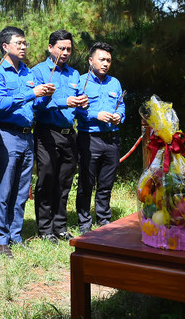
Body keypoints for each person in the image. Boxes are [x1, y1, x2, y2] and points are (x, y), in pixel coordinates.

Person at [0, 27, 54, 257]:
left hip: (28, 135)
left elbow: (34, 105)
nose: (24, 47)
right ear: (5, 46)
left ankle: (15, 235)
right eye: (19, 43)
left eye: (25, 43)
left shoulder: (28, 73)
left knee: (22, 189)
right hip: (6, 133)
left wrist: (44, 96)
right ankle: (1, 239)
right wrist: (31, 94)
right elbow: (0, 104)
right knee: (5, 188)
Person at [32, 30, 88, 243]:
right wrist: (64, 102)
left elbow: (76, 101)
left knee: (65, 181)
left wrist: (83, 103)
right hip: (47, 133)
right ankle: (45, 229)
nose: (65, 52)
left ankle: (60, 226)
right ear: (50, 48)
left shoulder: (74, 74)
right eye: (61, 48)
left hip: (68, 134)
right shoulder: (38, 72)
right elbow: (36, 105)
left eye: (68, 49)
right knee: (47, 179)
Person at [75, 42, 125, 235]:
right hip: (90, 138)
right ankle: (84, 221)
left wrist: (120, 115)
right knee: (86, 183)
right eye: (101, 59)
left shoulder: (115, 83)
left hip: (112, 139)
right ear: (91, 60)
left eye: (108, 60)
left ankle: (103, 219)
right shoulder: (81, 82)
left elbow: (121, 105)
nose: (105, 63)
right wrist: (96, 115)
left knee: (106, 183)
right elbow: (76, 110)